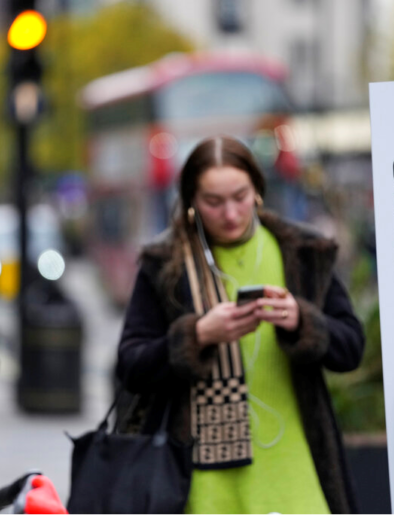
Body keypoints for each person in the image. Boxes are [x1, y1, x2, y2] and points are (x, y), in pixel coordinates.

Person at [116, 136, 365, 514]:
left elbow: (351, 349)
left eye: (240, 196)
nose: (230, 214)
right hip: (199, 483)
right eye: (213, 202)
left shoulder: (304, 252)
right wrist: (198, 335)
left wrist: (301, 320)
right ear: (191, 203)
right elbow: (132, 365)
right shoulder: (166, 263)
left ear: (258, 192)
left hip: (297, 468)